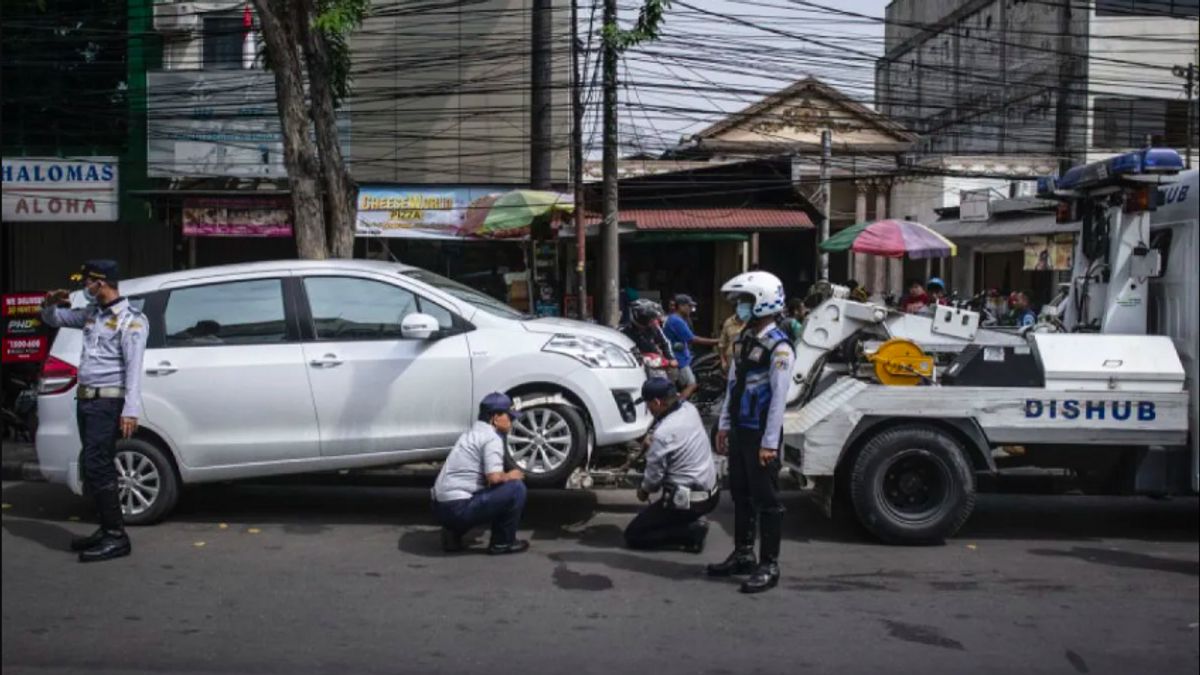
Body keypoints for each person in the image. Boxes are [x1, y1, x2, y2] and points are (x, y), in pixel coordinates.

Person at [41, 260, 148, 563]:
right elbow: (52, 319)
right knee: (94, 464)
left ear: (101, 283)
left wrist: (130, 410)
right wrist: (49, 302)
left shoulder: (132, 320)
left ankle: (116, 536)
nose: (84, 287)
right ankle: (105, 529)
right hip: (87, 400)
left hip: (107, 402)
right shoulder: (91, 315)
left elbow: (134, 369)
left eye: (88, 282)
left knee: (98, 464)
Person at [708, 271, 794, 594]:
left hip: (761, 435)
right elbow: (733, 385)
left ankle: (769, 565)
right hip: (740, 430)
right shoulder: (744, 339)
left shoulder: (780, 348)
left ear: (763, 302)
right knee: (740, 495)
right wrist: (724, 425)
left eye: (745, 301)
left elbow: (778, 400)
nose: (740, 307)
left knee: (767, 500)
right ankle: (743, 554)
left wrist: (770, 443)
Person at [623, 378, 719, 553]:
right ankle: (688, 522)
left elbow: (653, 480)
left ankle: (690, 533)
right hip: (711, 494)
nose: (649, 410)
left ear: (658, 402)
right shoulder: (689, 410)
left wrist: (643, 491)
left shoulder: (663, 434)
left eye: (648, 404)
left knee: (634, 535)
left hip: (689, 501)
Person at [431, 393, 529, 555]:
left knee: (478, 493)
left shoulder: (469, 434)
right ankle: (502, 543)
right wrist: (510, 476)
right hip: (456, 509)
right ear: (495, 418)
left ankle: (452, 534)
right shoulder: (491, 438)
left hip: (439, 507)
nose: (511, 422)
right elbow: (494, 478)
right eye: (509, 417)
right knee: (516, 489)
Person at [662, 294, 719, 400]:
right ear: (681, 306)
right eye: (689, 306)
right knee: (691, 384)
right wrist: (717, 342)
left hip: (682, 355)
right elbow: (692, 339)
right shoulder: (676, 321)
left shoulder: (679, 319)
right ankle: (677, 406)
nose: (691, 309)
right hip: (679, 358)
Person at [621, 299, 676, 367]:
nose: (652, 321)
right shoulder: (623, 332)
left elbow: (665, 342)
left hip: (655, 365)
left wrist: (671, 358)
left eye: (653, 318)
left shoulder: (654, 328)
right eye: (649, 318)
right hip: (634, 366)